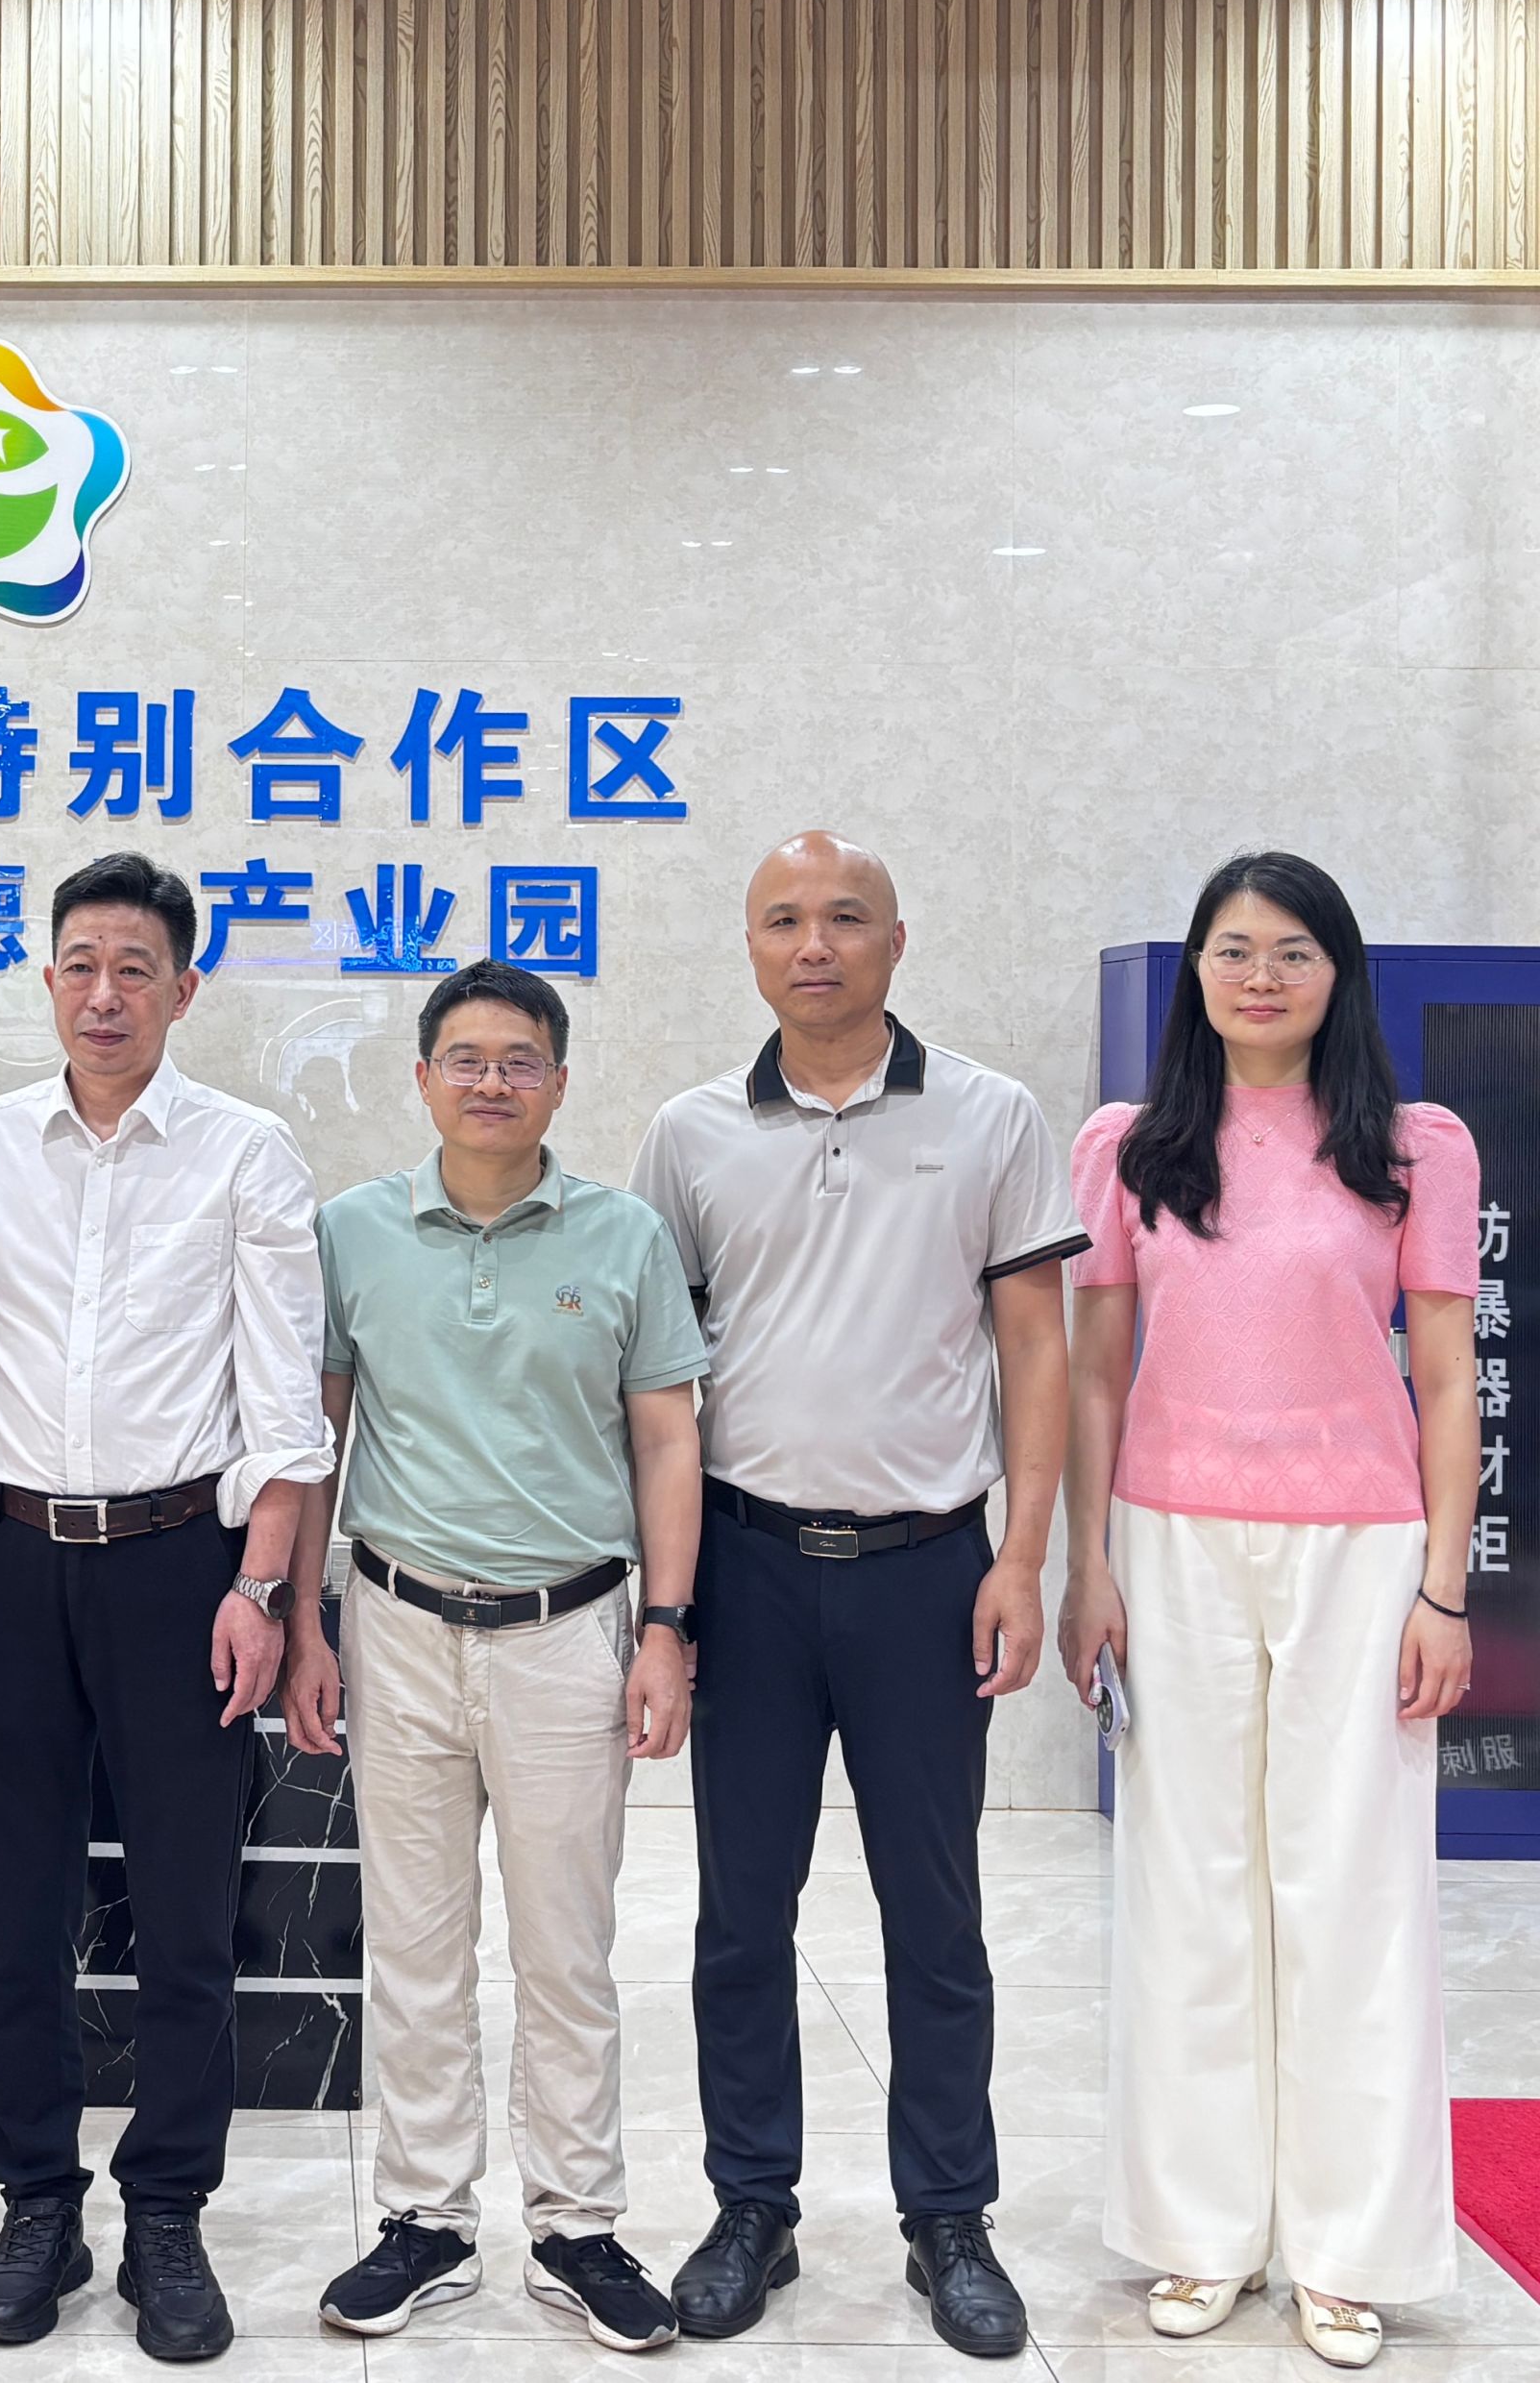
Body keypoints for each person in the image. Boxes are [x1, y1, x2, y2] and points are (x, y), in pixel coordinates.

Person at [626, 834, 1080, 2357]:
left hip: (927, 1572)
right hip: (747, 1568)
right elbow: (658, 1387)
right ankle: (750, 2203)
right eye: (783, 919)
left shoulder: (991, 1115)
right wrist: (666, 1606)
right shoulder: (691, 1133)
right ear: (751, 946)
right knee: (740, 1913)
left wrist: (1022, 1557)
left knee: (935, 1914)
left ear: (897, 939)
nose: (812, 943)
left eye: (843, 917)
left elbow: (1037, 1347)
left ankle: (949, 2216)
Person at [1058, 851, 1479, 2370]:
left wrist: (1444, 1586)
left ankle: (1350, 2251)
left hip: (1361, 1548)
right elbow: (1094, 1371)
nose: (1260, 976)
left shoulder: (1417, 1146)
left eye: (1292, 950)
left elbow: (1448, 1378)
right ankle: (1200, 2228)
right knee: (1189, 1879)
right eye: (1232, 949)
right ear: (1197, 974)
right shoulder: (1131, 1146)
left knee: (1352, 1883)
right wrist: (1088, 1561)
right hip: (1168, 1538)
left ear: (1337, 973)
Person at [0, 853, 330, 2365]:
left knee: (183, 1912)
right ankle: (37, 2200)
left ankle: (167, 2205)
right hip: (6, 1555)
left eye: (136, 968)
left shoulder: (245, 1150)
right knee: (15, 1908)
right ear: (47, 979)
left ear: (184, 986)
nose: (105, 994)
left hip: (184, 1565)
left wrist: (261, 1583)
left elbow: (282, 1397)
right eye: (81, 965)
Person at [290, 959, 702, 2357]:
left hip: (570, 1631)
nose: (491, 1081)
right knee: (414, 1943)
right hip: (396, 1621)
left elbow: (668, 1441)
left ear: (559, 1083)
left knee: (567, 1949)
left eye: (519, 1060)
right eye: (463, 1058)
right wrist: (308, 1621)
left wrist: (666, 1628)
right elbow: (319, 1438)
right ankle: (426, 2220)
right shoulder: (354, 1230)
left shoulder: (624, 1236)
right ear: (421, 1079)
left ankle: (578, 2224)